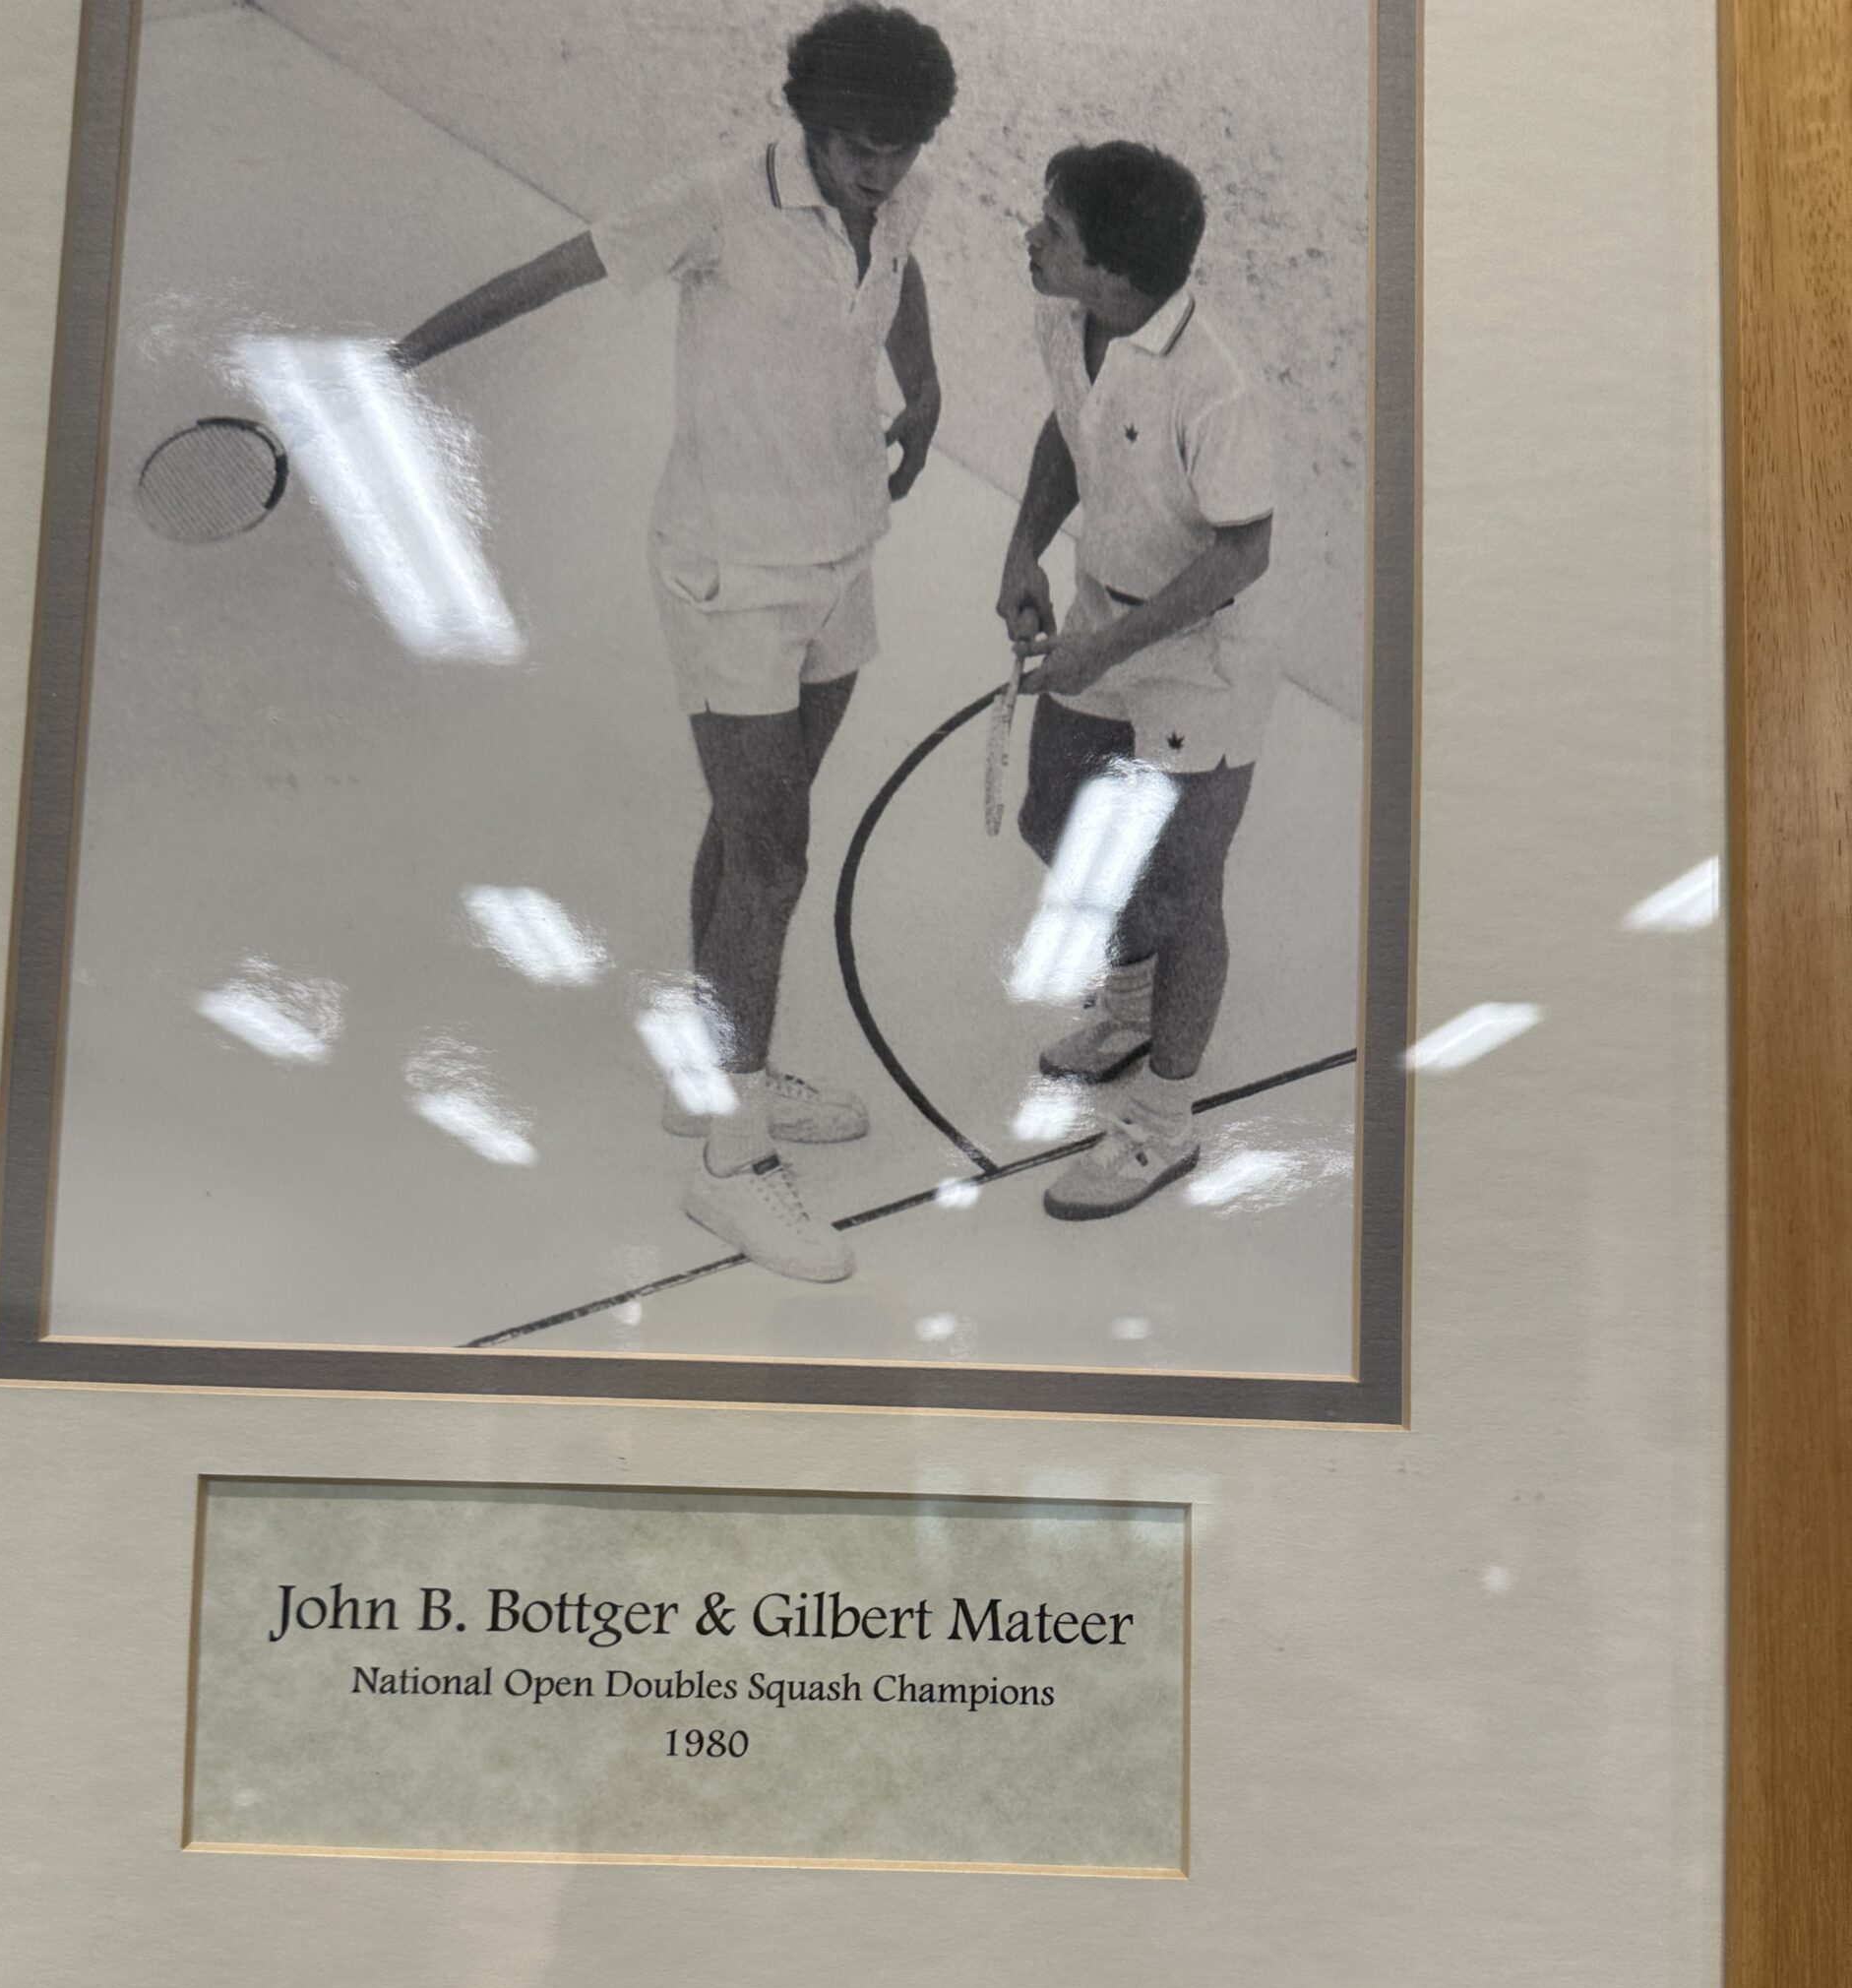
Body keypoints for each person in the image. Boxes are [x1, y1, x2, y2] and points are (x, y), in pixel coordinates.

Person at [392, 7, 958, 1281]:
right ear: (811, 123)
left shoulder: (900, 192)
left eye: (904, 148)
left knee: (757, 826)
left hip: (842, 551)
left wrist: (925, 387)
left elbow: (900, 266)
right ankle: (731, 1166)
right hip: (727, 574)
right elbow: (555, 270)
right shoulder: (714, 201)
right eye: (862, 147)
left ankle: (709, 1067)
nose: (883, 171)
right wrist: (400, 358)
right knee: (774, 858)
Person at [997, 141, 1277, 1220]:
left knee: (1180, 891)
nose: (1031, 238)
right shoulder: (1066, 316)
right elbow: (1070, 427)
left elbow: (1244, 553)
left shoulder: (1218, 386)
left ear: (1114, 269)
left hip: (1202, 657)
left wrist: (1109, 650)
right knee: (1051, 820)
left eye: (1055, 232)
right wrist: (1023, 547)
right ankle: (1129, 1003)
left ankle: (1164, 1123)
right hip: (1097, 620)